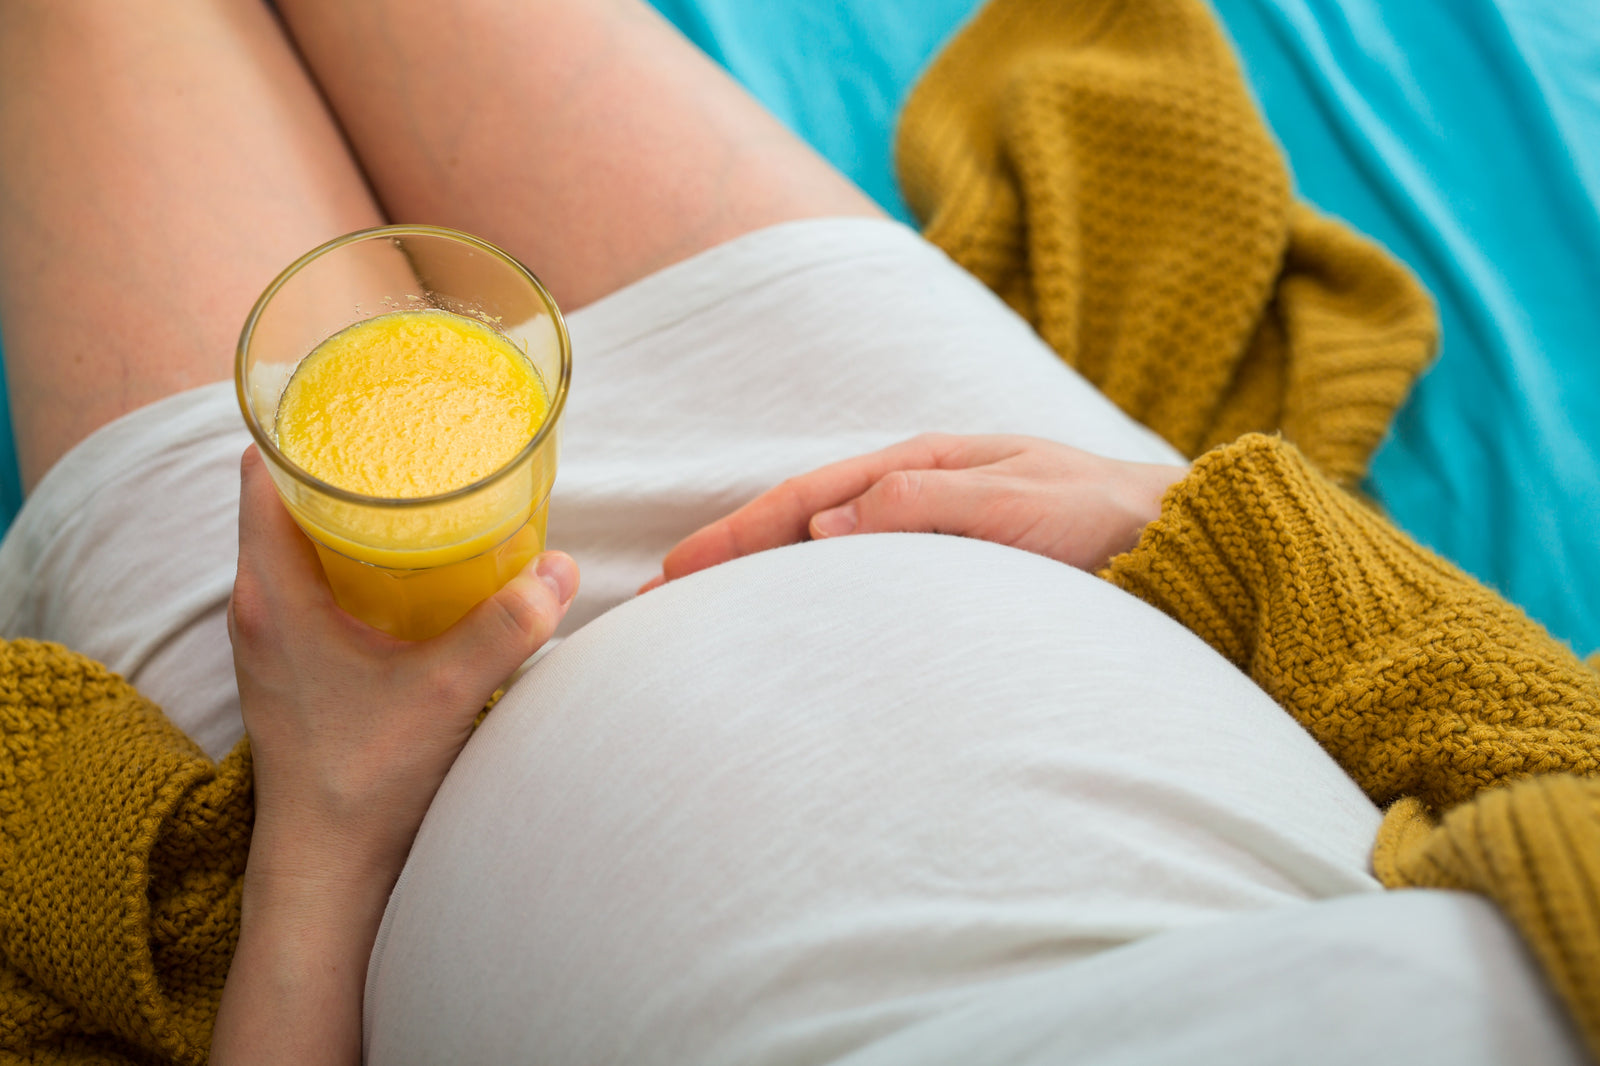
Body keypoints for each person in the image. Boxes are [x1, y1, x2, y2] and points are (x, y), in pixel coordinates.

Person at [0, 1, 1587, 1064]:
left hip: (338, 795)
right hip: (918, 472)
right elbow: (1560, 757)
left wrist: (324, 838)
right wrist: (1184, 521)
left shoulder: (326, 814)